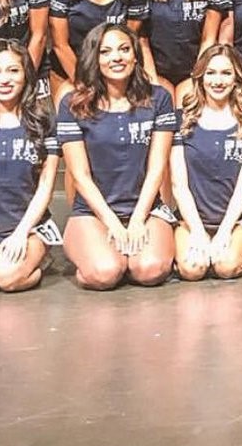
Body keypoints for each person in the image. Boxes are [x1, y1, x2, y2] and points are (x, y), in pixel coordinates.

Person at [58, 23, 178, 289]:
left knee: (149, 270)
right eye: (106, 51)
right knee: (105, 273)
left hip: (145, 208)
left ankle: (127, 255)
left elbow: (157, 168)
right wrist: (112, 224)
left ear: (135, 56)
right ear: (94, 58)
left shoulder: (158, 98)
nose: (116, 58)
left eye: (124, 49)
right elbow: (80, 176)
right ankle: (102, 254)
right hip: (93, 212)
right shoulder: (72, 104)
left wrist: (137, 220)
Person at [0, 41, 59, 293]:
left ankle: (36, 264)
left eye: (13, 70)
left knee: (7, 278)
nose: (4, 79)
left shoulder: (44, 122)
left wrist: (21, 233)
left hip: (28, 228)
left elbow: (45, 187)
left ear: (26, 74)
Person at [169, 45, 242, 281]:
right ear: (200, 76)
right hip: (191, 219)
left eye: (226, 73)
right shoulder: (181, 120)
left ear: (236, 78)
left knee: (225, 267)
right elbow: (179, 186)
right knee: (192, 270)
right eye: (211, 73)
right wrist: (198, 232)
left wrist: (224, 232)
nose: (218, 81)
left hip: (235, 219)